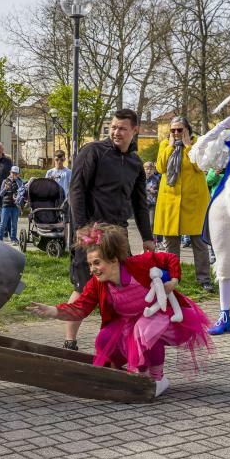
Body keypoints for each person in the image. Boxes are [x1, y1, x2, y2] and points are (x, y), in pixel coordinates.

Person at [27, 223, 212, 397]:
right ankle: (133, 372)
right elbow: (80, 307)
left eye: (97, 263)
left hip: (160, 314)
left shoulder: (138, 264)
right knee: (104, 339)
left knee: (147, 329)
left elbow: (169, 258)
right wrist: (53, 311)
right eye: (90, 265)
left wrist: (173, 281)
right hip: (129, 321)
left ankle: (158, 379)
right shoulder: (97, 284)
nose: (93, 269)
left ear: (114, 260)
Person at [65, 108, 154, 350]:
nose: (116, 132)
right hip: (91, 233)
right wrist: (82, 228)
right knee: (84, 289)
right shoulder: (93, 151)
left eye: (122, 128)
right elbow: (76, 190)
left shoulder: (135, 163)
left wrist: (147, 237)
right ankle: (69, 341)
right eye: (113, 127)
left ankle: (120, 344)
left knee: (122, 290)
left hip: (118, 235)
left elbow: (139, 203)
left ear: (135, 131)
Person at [187, 113, 230, 335]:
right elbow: (197, 154)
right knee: (225, 261)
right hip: (226, 202)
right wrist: (219, 127)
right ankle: (224, 314)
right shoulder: (228, 138)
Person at [155, 116, 212, 292]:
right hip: (170, 201)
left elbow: (201, 166)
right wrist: (171, 146)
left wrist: (188, 147)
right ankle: (173, 278)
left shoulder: (198, 145)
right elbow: (160, 167)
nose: (176, 133)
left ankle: (204, 279)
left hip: (194, 201)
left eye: (180, 129)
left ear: (188, 129)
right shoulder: (165, 145)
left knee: (199, 241)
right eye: (173, 130)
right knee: (170, 242)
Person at [0, 166, 23, 244]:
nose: (14, 175)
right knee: (3, 223)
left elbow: (22, 193)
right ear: (10, 172)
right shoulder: (5, 181)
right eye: (13, 173)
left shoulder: (20, 181)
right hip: (6, 205)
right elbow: (1, 194)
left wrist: (18, 198)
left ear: (18, 174)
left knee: (14, 223)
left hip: (15, 205)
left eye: (16, 173)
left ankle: (13, 238)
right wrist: (5, 188)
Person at [144, 161, 163, 244]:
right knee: (144, 224)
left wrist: (155, 191)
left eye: (150, 169)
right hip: (143, 204)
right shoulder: (140, 178)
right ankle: (146, 240)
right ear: (144, 169)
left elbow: (162, 191)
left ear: (153, 169)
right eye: (147, 169)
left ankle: (154, 241)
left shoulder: (157, 178)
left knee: (152, 223)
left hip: (153, 203)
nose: (148, 171)